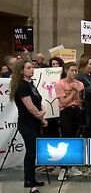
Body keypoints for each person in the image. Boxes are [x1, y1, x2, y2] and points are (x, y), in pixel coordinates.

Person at [10, 61, 47, 193]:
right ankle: (30, 183)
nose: (32, 70)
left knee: (34, 153)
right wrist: (41, 115)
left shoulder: (30, 85)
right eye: (29, 68)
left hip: (35, 122)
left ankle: (31, 179)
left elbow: (38, 101)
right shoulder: (22, 86)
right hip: (27, 124)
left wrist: (42, 115)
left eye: (32, 67)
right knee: (30, 153)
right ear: (21, 70)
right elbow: (30, 107)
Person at [55, 62, 84, 181]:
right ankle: (63, 168)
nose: (74, 73)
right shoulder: (59, 84)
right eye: (72, 70)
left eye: (76, 71)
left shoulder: (80, 84)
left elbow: (79, 100)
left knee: (76, 138)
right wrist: (73, 92)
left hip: (77, 110)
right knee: (66, 139)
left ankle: (73, 165)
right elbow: (63, 102)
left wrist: (78, 93)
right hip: (65, 112)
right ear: (66, 70)